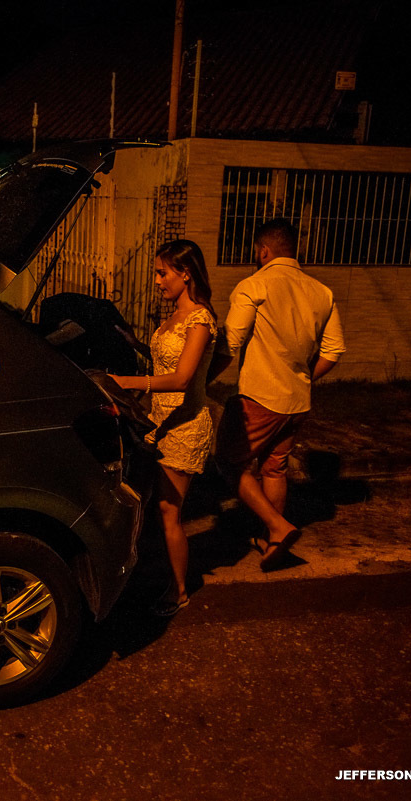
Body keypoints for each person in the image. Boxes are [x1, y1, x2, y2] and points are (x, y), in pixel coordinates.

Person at [209, 218, 346, 570]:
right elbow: (333, 352)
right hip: (297, 401)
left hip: (259, 398)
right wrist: (302, 378)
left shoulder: (254, 285)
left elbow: (230, 343)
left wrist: (201, 379)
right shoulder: (321, 292)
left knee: (227, 461)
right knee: (274, 469)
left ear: (263, 251)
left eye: (257, 252)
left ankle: (277, 526)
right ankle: (274, 544)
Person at [109, 239, 217, 616]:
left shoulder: (200, 319)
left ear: (185, 274)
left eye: (162, 272)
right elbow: (163, 362)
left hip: (185, 425)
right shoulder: (173, 315)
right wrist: (134, 345)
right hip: (158, 422)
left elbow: (184, 378)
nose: (157, 280)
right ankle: (146, 574)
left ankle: (180, 590)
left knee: (170, 510)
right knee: (148, 504)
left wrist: (127, 382)